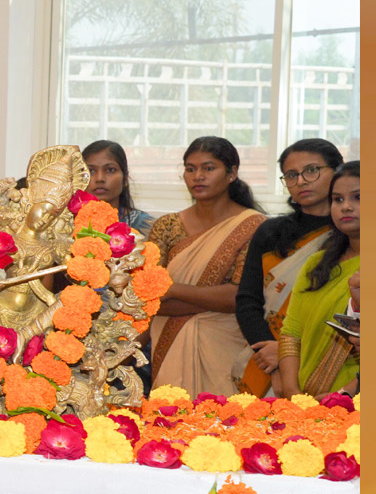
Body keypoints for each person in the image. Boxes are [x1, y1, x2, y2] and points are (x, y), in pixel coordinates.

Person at [147, 135, 266, 395]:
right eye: (190, 169)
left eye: (208, 168)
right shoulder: (166, 227)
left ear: (232, 173)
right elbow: (150, 297)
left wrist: (173, 289)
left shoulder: (255, 226)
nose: (197, 176)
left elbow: (237, 298)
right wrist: (209, 300)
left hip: (225, 346)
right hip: (169, 343)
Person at [236, 138, 343, 394]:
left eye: (312, 170)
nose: (301, 181)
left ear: (338, 171)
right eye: (291, 175)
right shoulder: (271, 232)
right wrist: (275, 355)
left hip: (333, 358)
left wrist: (288, 354)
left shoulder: (352, 232)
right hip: (268, 361)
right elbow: (248, 300)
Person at [275, 161, 360, 396]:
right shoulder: (317, 263)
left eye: (358, 197)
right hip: (305, 396)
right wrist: (292, 391)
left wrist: (342, 396)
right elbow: (292, 331)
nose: (346, 207)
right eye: (338, 199)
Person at [82, 139, 156, 236]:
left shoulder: (146, 226)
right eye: (91, 171)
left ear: (125, 178)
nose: (99, 178)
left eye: (110, 170)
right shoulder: (65, 225)